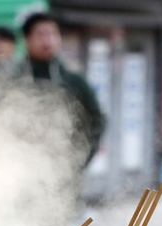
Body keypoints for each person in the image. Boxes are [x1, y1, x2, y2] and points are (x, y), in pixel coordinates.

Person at [12, 12, 105, 168]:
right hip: (20, 169)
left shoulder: (74, 80)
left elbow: (96, 119)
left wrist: (81, 157)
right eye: (41, 34)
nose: (48, 40)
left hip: (64, 168)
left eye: (53, 34)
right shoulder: (12, 80)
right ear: (26, 39)